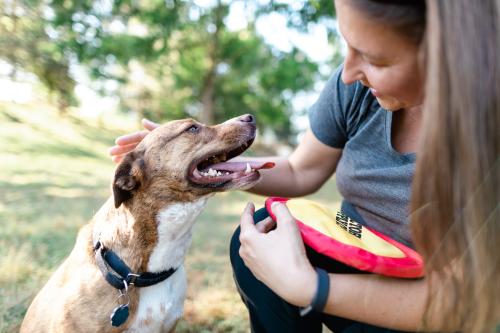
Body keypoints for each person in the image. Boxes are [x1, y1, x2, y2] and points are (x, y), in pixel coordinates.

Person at [109, 0, 499, 331]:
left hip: (428, 302)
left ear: (448, 54)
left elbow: (461, 301)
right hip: (353, 248)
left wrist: (310, 287)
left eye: (374, 58)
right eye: (348, 46)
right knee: (264, 231)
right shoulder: (357, 89)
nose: (348, 74)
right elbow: (300, 171)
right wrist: (210, 163)